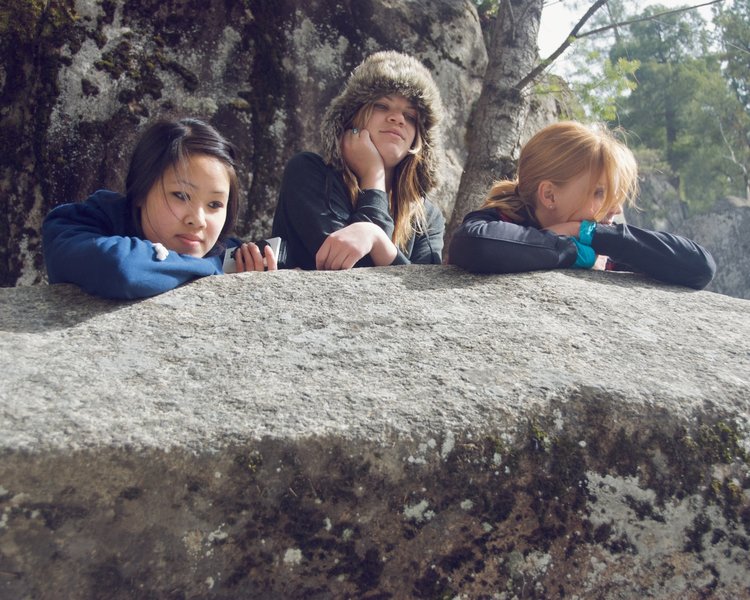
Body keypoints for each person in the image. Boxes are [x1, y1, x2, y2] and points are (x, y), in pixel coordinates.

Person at [449, 121, 716, 290]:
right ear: (550, 195)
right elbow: (473, 244)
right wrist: (569, 248)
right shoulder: (503, 219)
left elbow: (700, 267)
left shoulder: (603, 240)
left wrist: (587, 233)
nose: (616, 209)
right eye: (600, 193)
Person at [43, 118, 276, 300]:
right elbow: (122, 269)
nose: (198, 220)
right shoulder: (74, 225)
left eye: (214, 204)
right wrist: (213, 269)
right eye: (181, 196)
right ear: (141, 191)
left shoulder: (233, 255)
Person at [271, 51, 446, 270]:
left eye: (410, 116)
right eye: (382, 106)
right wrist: (374, 174)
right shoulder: (308, 172)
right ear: (352, 115)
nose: (398, 119)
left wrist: (375, 238)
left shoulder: (427, 216)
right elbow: (353, 272)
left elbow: (422, 294)